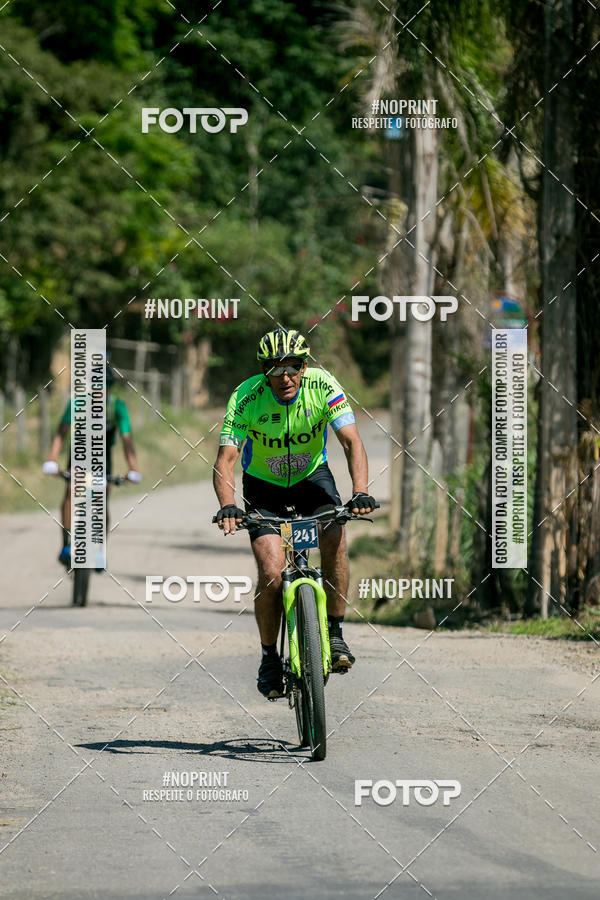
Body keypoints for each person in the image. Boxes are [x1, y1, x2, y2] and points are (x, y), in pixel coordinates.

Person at [213, 327, 377, 699]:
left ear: (304, 367)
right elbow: (226, 459)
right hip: (264, 487)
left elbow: (351, 441)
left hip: (311, 480)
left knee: (334, 537)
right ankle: (269, 657)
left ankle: (334, 633)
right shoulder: (246, 396)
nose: (285, 376)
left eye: (293, 367)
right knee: (272, 572)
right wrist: (227, 504)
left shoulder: (323, 385)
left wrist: (360, 491)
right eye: (275, 368)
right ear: (264, 371)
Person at [42, 364, 142, 568]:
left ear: (109, 388)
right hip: (79, 454)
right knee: (71, 491)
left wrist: (133, 468)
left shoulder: (117, 407)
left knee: (102, 497)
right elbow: (61, 433)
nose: (99, 391)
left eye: (104, 387)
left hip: (103, 458)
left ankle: (99, 549)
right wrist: (52, 459)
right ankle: (67, 544)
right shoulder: (77, 403)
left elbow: (127, 440)